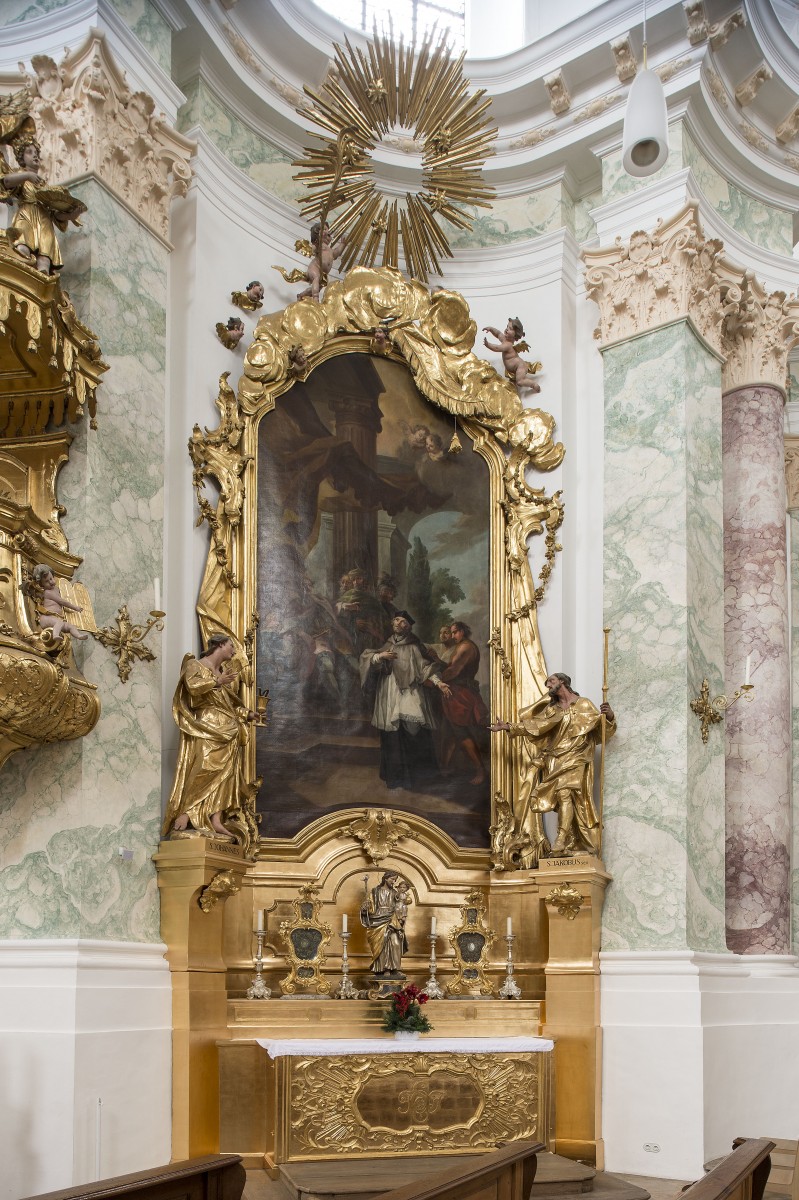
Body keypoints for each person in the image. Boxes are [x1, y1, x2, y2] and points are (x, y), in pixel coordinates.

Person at [489, 672, 615, 858]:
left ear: (562, 682)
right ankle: (569, 840)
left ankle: (561, 839)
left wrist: (609, 717)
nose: (548, 685)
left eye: (551, 681)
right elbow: (535, 726)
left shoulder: (584, 704)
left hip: (578, 756)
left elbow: (602, 732)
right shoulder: (552, 710)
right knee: (565, 798)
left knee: (568, 795)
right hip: (557, 758)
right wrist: (509, 727)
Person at [162, 634, 257, 843]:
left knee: (225, 775)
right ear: (220, 644)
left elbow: (230, 705)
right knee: (203, 768)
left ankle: (216, 819)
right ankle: (186, 812)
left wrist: (248, 714)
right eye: (231, 646)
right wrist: (216, 681)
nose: (233, 651)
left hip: (228, 730)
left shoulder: (225, 674)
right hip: (207, 726)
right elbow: (192, 687)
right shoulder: (195, 665)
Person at [360, 611, 451, 791]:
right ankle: (395, 778)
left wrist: (439, 683)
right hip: (389, 692)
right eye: (396, 619)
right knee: (391, 735)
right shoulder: (388, 643)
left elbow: (425, 668)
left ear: (408, 627)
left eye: (402, 621)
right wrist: (380, 657)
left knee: (414, 732)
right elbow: (369, 658)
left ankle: (419, 780)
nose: (397, 623)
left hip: (410, 692)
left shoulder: (414, 645)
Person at [1, 137, 84, 274]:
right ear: (21, 158)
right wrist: (27, 175)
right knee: (22, 249)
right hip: (26, 215)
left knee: (44, 259)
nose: (35, 155)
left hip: (44, 222)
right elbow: (7, 182)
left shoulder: (44, 186)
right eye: (29, 152)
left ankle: (43, 281)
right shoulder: (22, 177)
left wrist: (70, 215)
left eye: (36, 153)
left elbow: (54, 214)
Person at [438, 621, 488, 785]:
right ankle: (444, 769)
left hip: (461, 695)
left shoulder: (466, 647)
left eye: (455, 632)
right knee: (450, 733)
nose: (452, 636)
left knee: (461, 733)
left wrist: (436, 681)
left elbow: (454, 670)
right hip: (455, 695)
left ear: (463, 631)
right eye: (451, 633)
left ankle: (480, 770)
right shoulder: (463, 646)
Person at [360, 871, 410, 977]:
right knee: (381, 944)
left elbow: (400, 905)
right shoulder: (375, 891)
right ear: (385, 878)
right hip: (378, 920)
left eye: (395, 880)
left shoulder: (395, 893)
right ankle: (383, 969)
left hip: (392, 919)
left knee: (395, 943)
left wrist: (401, 915)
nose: (393, 882)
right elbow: (370, 908)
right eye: (392, 879)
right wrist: (365, 909)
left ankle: (395, 968)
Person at [32, 564, 89, 640]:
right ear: (41, 585)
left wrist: (75, 586)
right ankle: (55, 635)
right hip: (47, 618)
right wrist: (75, 607)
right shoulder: (47, 593)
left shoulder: (56, 589)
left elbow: (66, 594)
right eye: (46, 581)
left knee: (71, 626)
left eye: (51, 578)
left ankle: (78, 636)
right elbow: (62, 601)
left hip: (56, 619)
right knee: (59, 623)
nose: (51, 582)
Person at [482, 318, 539, 391]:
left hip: (520, 367)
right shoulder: (504, 339)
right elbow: (498, 333)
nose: (506, 329)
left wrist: (488, 344)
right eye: (507, 327)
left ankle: (533, 384)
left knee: (520, 381)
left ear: (515, 334)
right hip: (513, 370)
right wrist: (490, 329)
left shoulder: (508, 345)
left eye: (510, 329)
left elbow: (497, 348)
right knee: (512, 385)